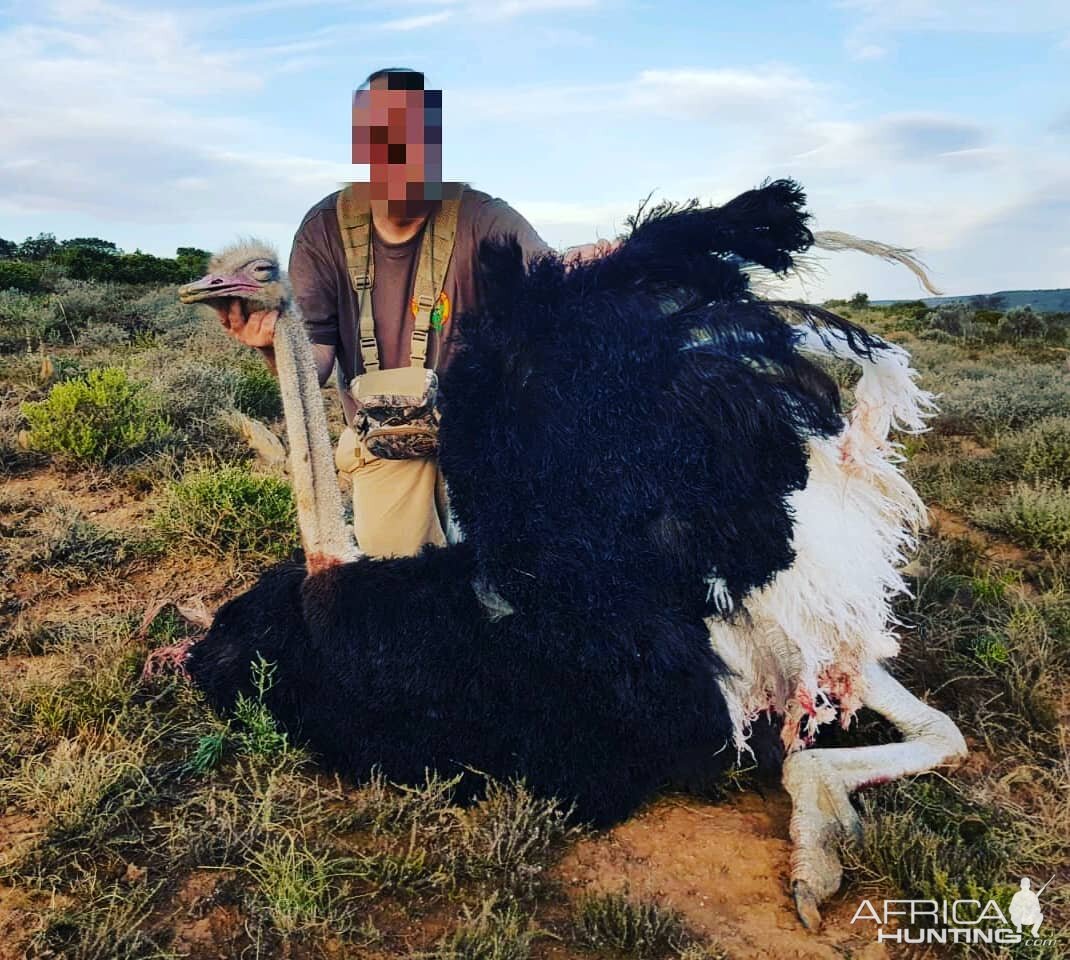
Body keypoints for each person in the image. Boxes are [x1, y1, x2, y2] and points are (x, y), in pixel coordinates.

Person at [216, 67, 617, 558]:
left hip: (482, 435)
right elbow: (315, 356)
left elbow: (548, 274)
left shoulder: (484, 217)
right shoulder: (323, 230)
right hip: (386, 442)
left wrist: (595, 265)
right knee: (399, 581)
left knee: (513, 573)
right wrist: (272, 342)